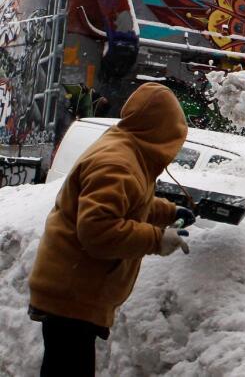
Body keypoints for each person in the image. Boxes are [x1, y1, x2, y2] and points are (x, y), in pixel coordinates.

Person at [28, 83, 196, 376]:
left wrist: (168, 212)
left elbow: (130, 201)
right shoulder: (118, 162)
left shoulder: (129, 151)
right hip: (72, 292)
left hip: (76, 289)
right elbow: (98, 230)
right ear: (160, 132)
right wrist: (157, 239)